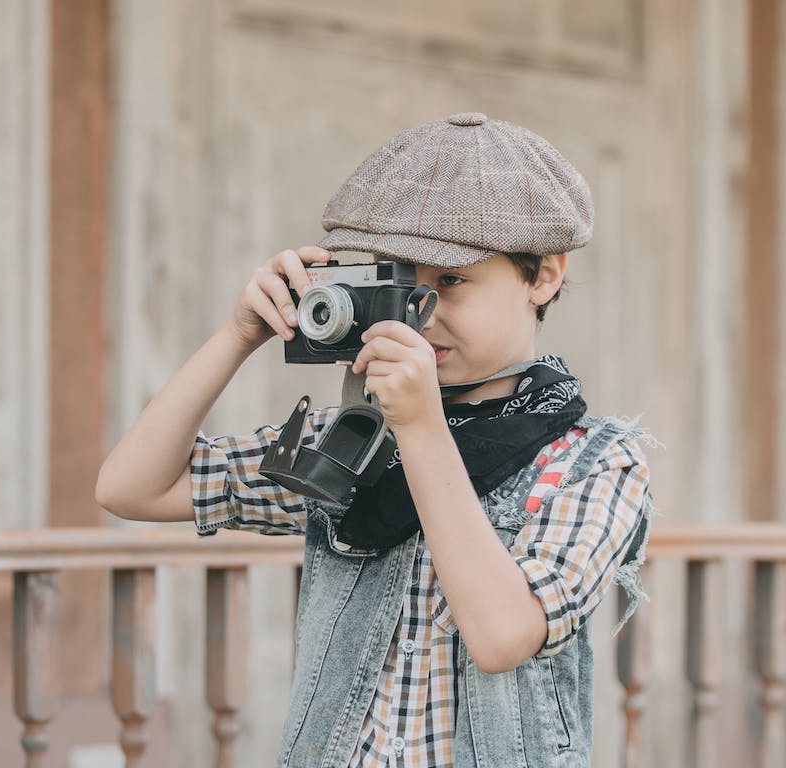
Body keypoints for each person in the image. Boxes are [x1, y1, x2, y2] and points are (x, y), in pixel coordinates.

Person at [96, 112, 654, 767]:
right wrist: (239, 334)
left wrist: (421, 427)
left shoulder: (595, 461)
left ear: (544, 275)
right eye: (399, 282)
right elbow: (131, 487)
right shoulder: (351, 447)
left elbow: (503, 636)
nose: (422, 313)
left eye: (450, 281)